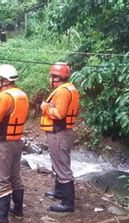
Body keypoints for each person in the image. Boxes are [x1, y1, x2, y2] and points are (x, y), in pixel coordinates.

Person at [0, 64, 29, 223]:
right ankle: (18, 211)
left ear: (5, 81)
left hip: (2, 143)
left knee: (0, 178)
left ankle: (1, 218)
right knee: (15, 177)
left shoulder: (5, 96)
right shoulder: (21, 95)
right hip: (16, 141)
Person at [40, 62, 80, 212]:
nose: (50, 79)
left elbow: (59, 113)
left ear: (57, 78)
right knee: (58, 163)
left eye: (51, 76)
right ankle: (59, 191)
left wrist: (45, 107)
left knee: (62, 166)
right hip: (61, 131)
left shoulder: (63, 91)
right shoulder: (69, 88)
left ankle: (68, 203)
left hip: (59, 132)